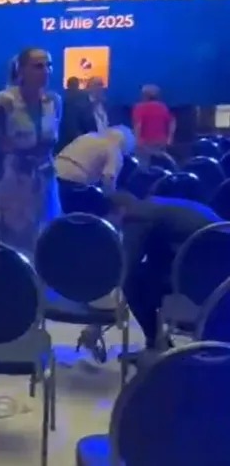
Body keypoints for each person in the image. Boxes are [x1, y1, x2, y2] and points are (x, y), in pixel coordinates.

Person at [0, 48, 62, 256]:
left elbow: (51, 142)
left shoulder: (53, 102)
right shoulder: (4, 102)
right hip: (10, 181)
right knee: (12, 246)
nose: (45, 71)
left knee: (45, 242)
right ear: (21, 70)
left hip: (45, 182)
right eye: (38, 66)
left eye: (48, 65)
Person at [106, 192, 220, 354]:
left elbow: (128, 263)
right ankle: (162, 342)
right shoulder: (161, 208)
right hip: (222, 278)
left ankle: (154, 344)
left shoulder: (136, 215)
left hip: (196, 280)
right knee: (149, 272)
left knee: (133, 282)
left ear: (119, 210)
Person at [56, 126, 136, 193]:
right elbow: (108, 178)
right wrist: (111, 196)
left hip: (55, 169)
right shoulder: (115, 150)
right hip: (75, 179)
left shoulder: (88, 136)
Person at [132, 84, 174, 165]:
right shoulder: (163, 107)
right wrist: (169, 138)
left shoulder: (139, 108)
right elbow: (172, 122)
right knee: (159, 164)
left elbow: (138, 125)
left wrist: (137, 140)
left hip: (144, 143)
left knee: (143, 165)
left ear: (145, 95)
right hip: (160, 142)